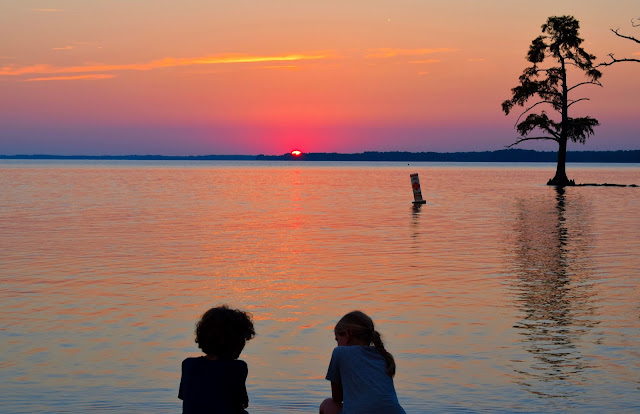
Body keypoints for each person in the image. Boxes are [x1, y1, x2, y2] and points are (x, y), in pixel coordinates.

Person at [320, 311, 406, 414]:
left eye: (337, 339)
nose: (337, 344)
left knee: (327, 404)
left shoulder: (340, 352)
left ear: (347, 335)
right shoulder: (382, 355)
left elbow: (337, 398)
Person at [179, 305, 256, 414]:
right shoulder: (237, 367)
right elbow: (242, 403)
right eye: (243, 339)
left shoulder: (188, 365)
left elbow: (188, 398)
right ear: (234, 342)